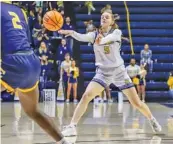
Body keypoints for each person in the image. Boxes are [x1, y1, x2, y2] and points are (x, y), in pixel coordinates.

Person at [58, 9, 162, 136]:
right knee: (86, 96)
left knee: (136, 103)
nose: (104, 18)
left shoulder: (116, 32)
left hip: (119, 72)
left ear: (112, 21)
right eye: (102, 16)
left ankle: (152, 120)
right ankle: (72, 126)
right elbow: (82, 37)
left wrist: (101, 41)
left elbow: (109, 38)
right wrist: (72, 32)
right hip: (102, 73)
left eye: (107, 17)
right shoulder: (94, 34)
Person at [1, 2, 70, 144]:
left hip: (13, 61)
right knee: (33, 111)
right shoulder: (20, 11)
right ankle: (63, 142)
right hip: (31, 60)